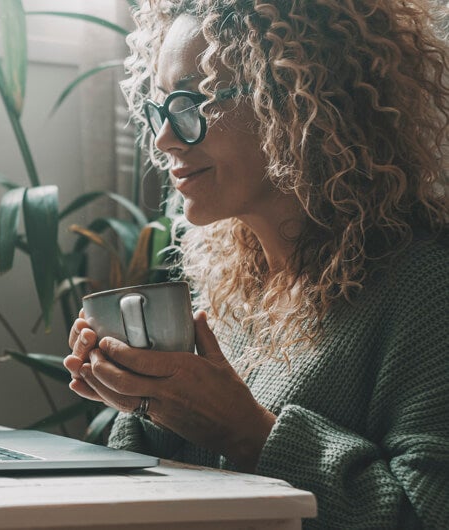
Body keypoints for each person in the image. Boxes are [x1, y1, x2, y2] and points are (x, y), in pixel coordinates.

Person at [65, 0, 449, 527]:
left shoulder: (427, 286)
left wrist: (245, 431)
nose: (164, 138)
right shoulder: (231, 282)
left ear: (296, 101)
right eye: (160, 109)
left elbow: (424, 514)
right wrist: (141, 398)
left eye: (192, 104)